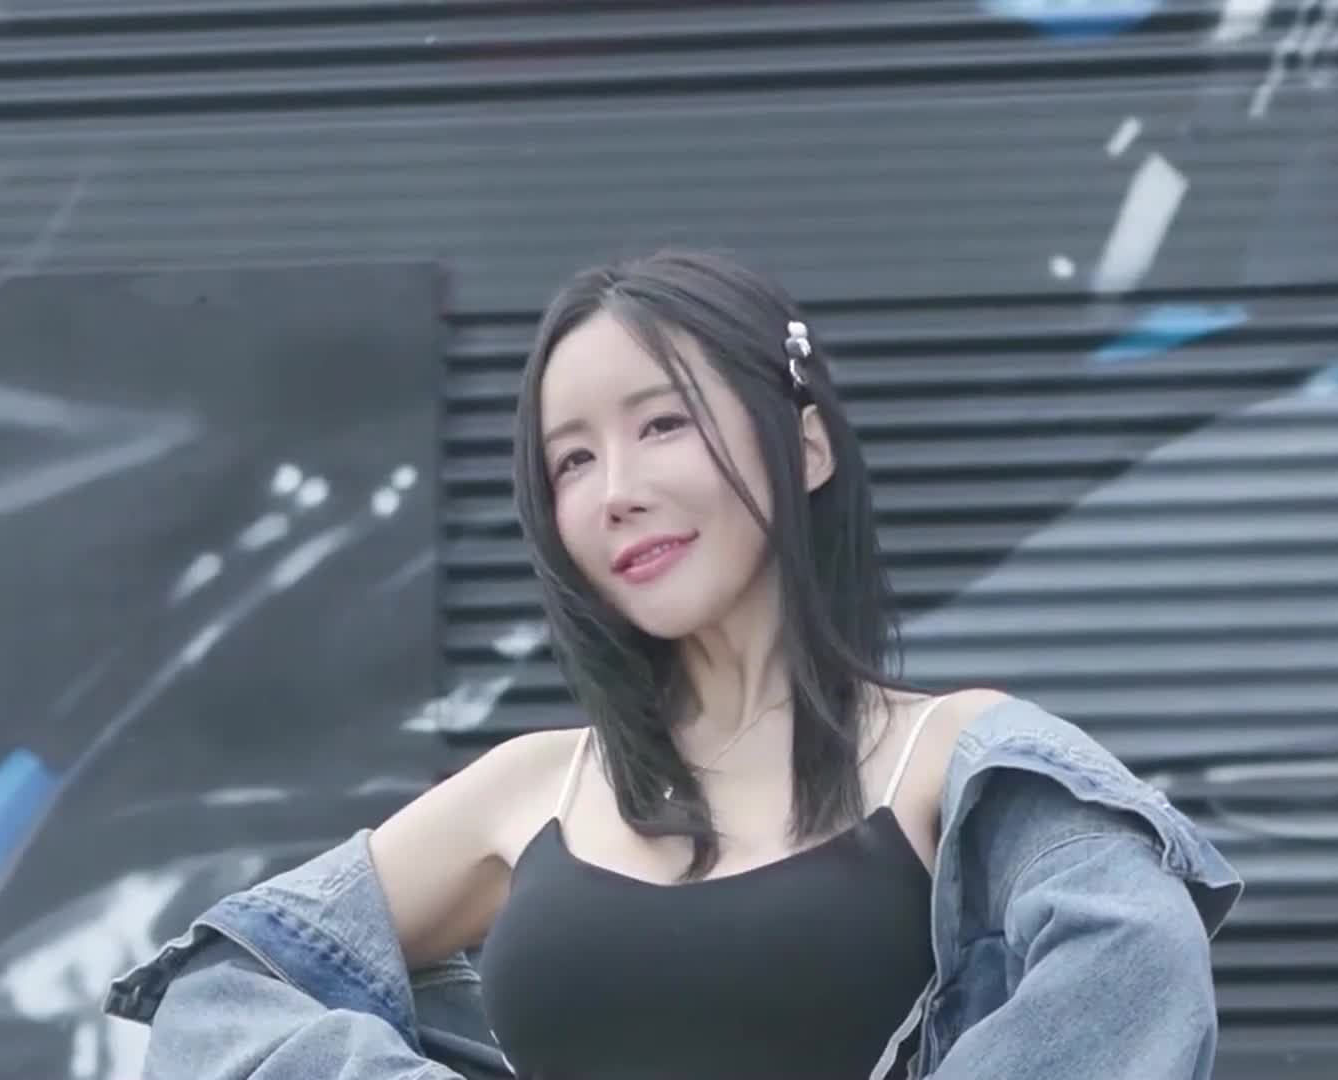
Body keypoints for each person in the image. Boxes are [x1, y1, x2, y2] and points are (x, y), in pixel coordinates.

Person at [103, 249, 1243, 1080]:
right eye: (572, 460)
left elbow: (1138, 965)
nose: (617, 491)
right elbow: (222, 994)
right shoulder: (533, 787)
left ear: (804, 446)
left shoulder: (960, 759)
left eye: (662, 425)